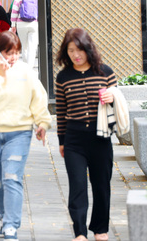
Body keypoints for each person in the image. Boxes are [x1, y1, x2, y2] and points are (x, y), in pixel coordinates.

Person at [0, 31, 51, 241]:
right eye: (9, 53)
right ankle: (4, 217)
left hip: (19, 132)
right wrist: (1, 77)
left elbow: (39, 97)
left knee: (11, 178)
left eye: (17, 53)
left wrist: (42, 123)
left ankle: (11, 226)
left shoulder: (25, 70)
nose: (13, 58)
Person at [55, 29, 117, 241]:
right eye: (71, 50)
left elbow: (118, 105)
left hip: (101, 139)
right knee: (77, 187)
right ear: (66, 52)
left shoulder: (105, 72)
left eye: (79, 49)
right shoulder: (63, 77)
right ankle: (80, 232)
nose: (76, 54)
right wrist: (61, 142)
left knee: (101, 186)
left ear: (88, 48)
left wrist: (113, 97)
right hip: (74, 140)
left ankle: (100, 229)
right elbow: (61, 112)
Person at [10, 0, 38, 66]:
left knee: (24, 47)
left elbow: (14, 11)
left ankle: (26, 66)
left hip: (21, 24)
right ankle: (30, 66)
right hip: (34, 24)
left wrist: (13, 24)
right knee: (32, 47)